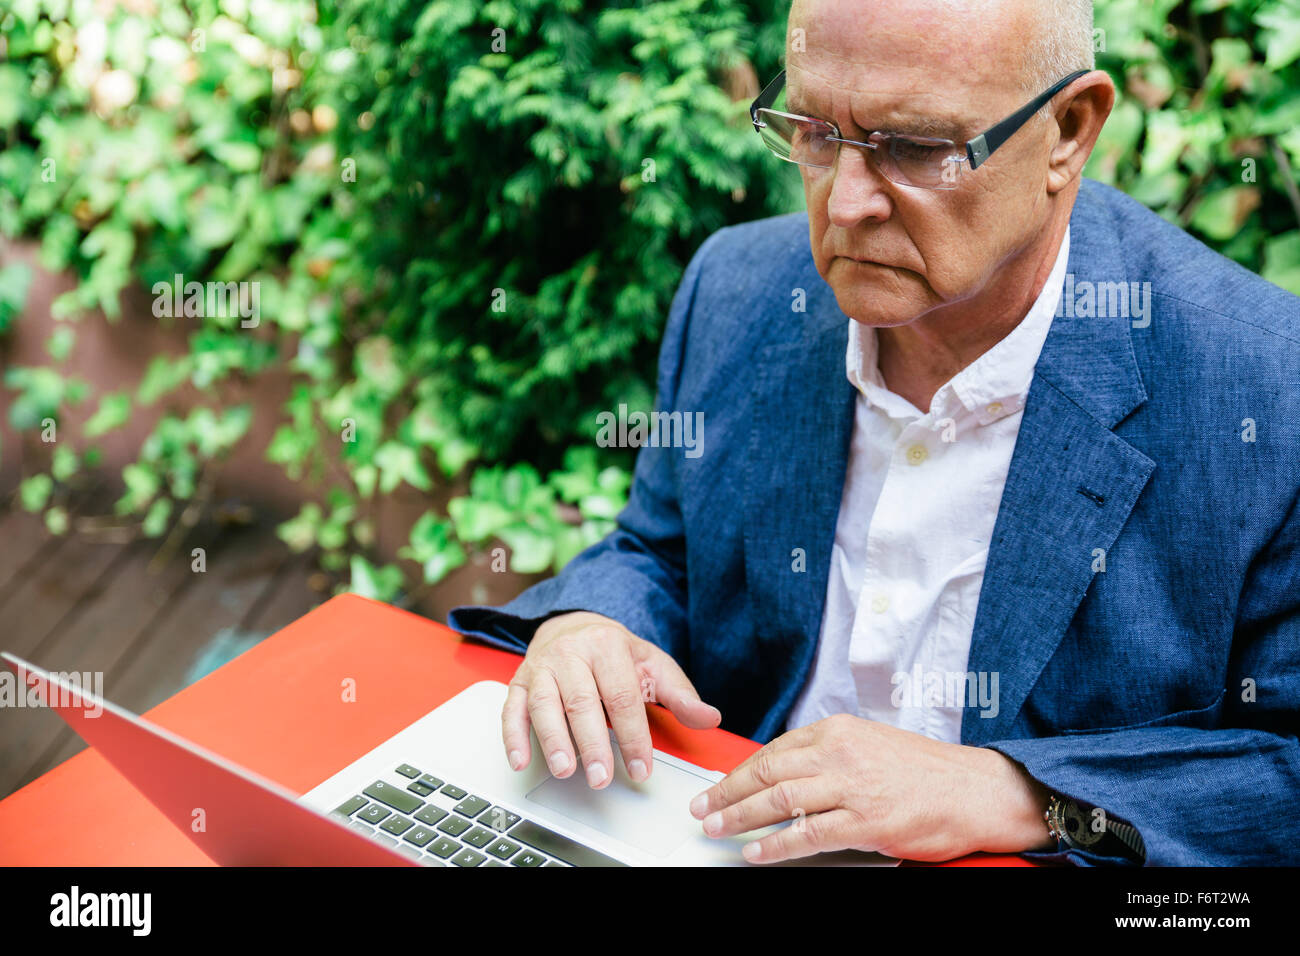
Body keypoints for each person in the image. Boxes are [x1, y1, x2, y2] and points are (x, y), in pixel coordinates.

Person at [449, 0, 1300, 865]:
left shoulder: (1269, 390)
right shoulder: (739, 289)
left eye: (917, 148)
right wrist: (592, 623)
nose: (846, 203)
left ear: (1069, 132)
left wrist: (1019, 793)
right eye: (815, 131)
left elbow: (1287, 771)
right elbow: (661, 552)